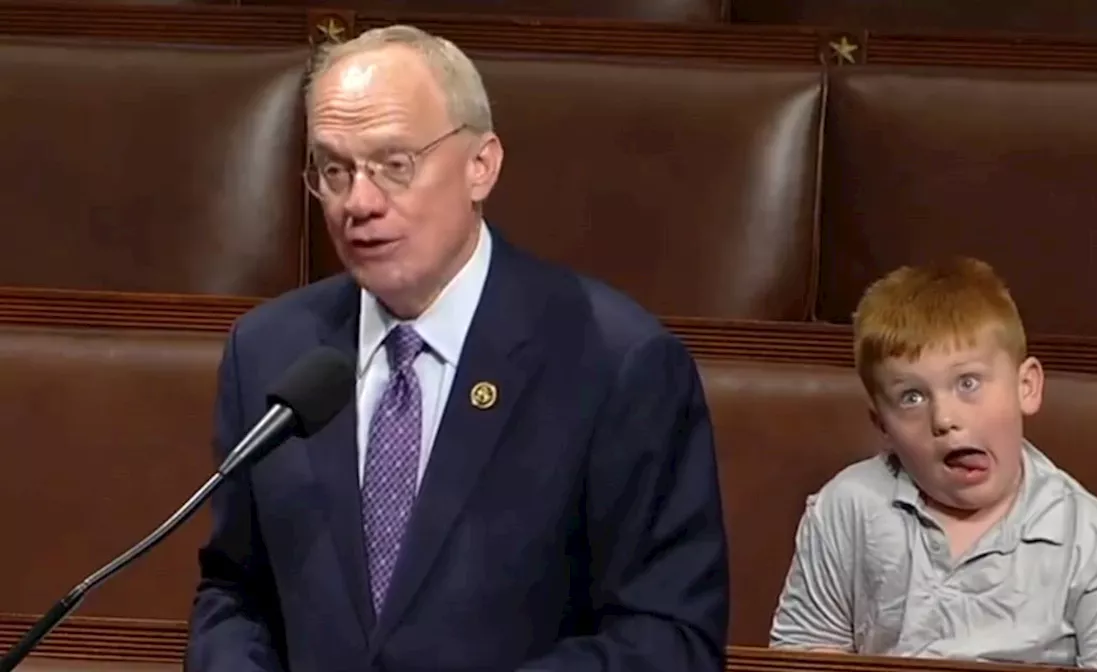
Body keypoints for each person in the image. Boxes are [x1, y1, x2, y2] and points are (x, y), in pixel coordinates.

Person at [185, 24, 729, 672]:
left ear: (481, 166)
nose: (358, 202)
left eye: (395, 165)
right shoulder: (271, 351)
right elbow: (235, 592)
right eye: (334, 170)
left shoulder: (616, 363)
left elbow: (670, 638)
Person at [768, 258, 1097, 672]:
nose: (944, 419)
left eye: (968, 383)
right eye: (912, 398)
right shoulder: (846, 507)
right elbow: (804, 653)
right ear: (882, 424)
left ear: (1025, 387)